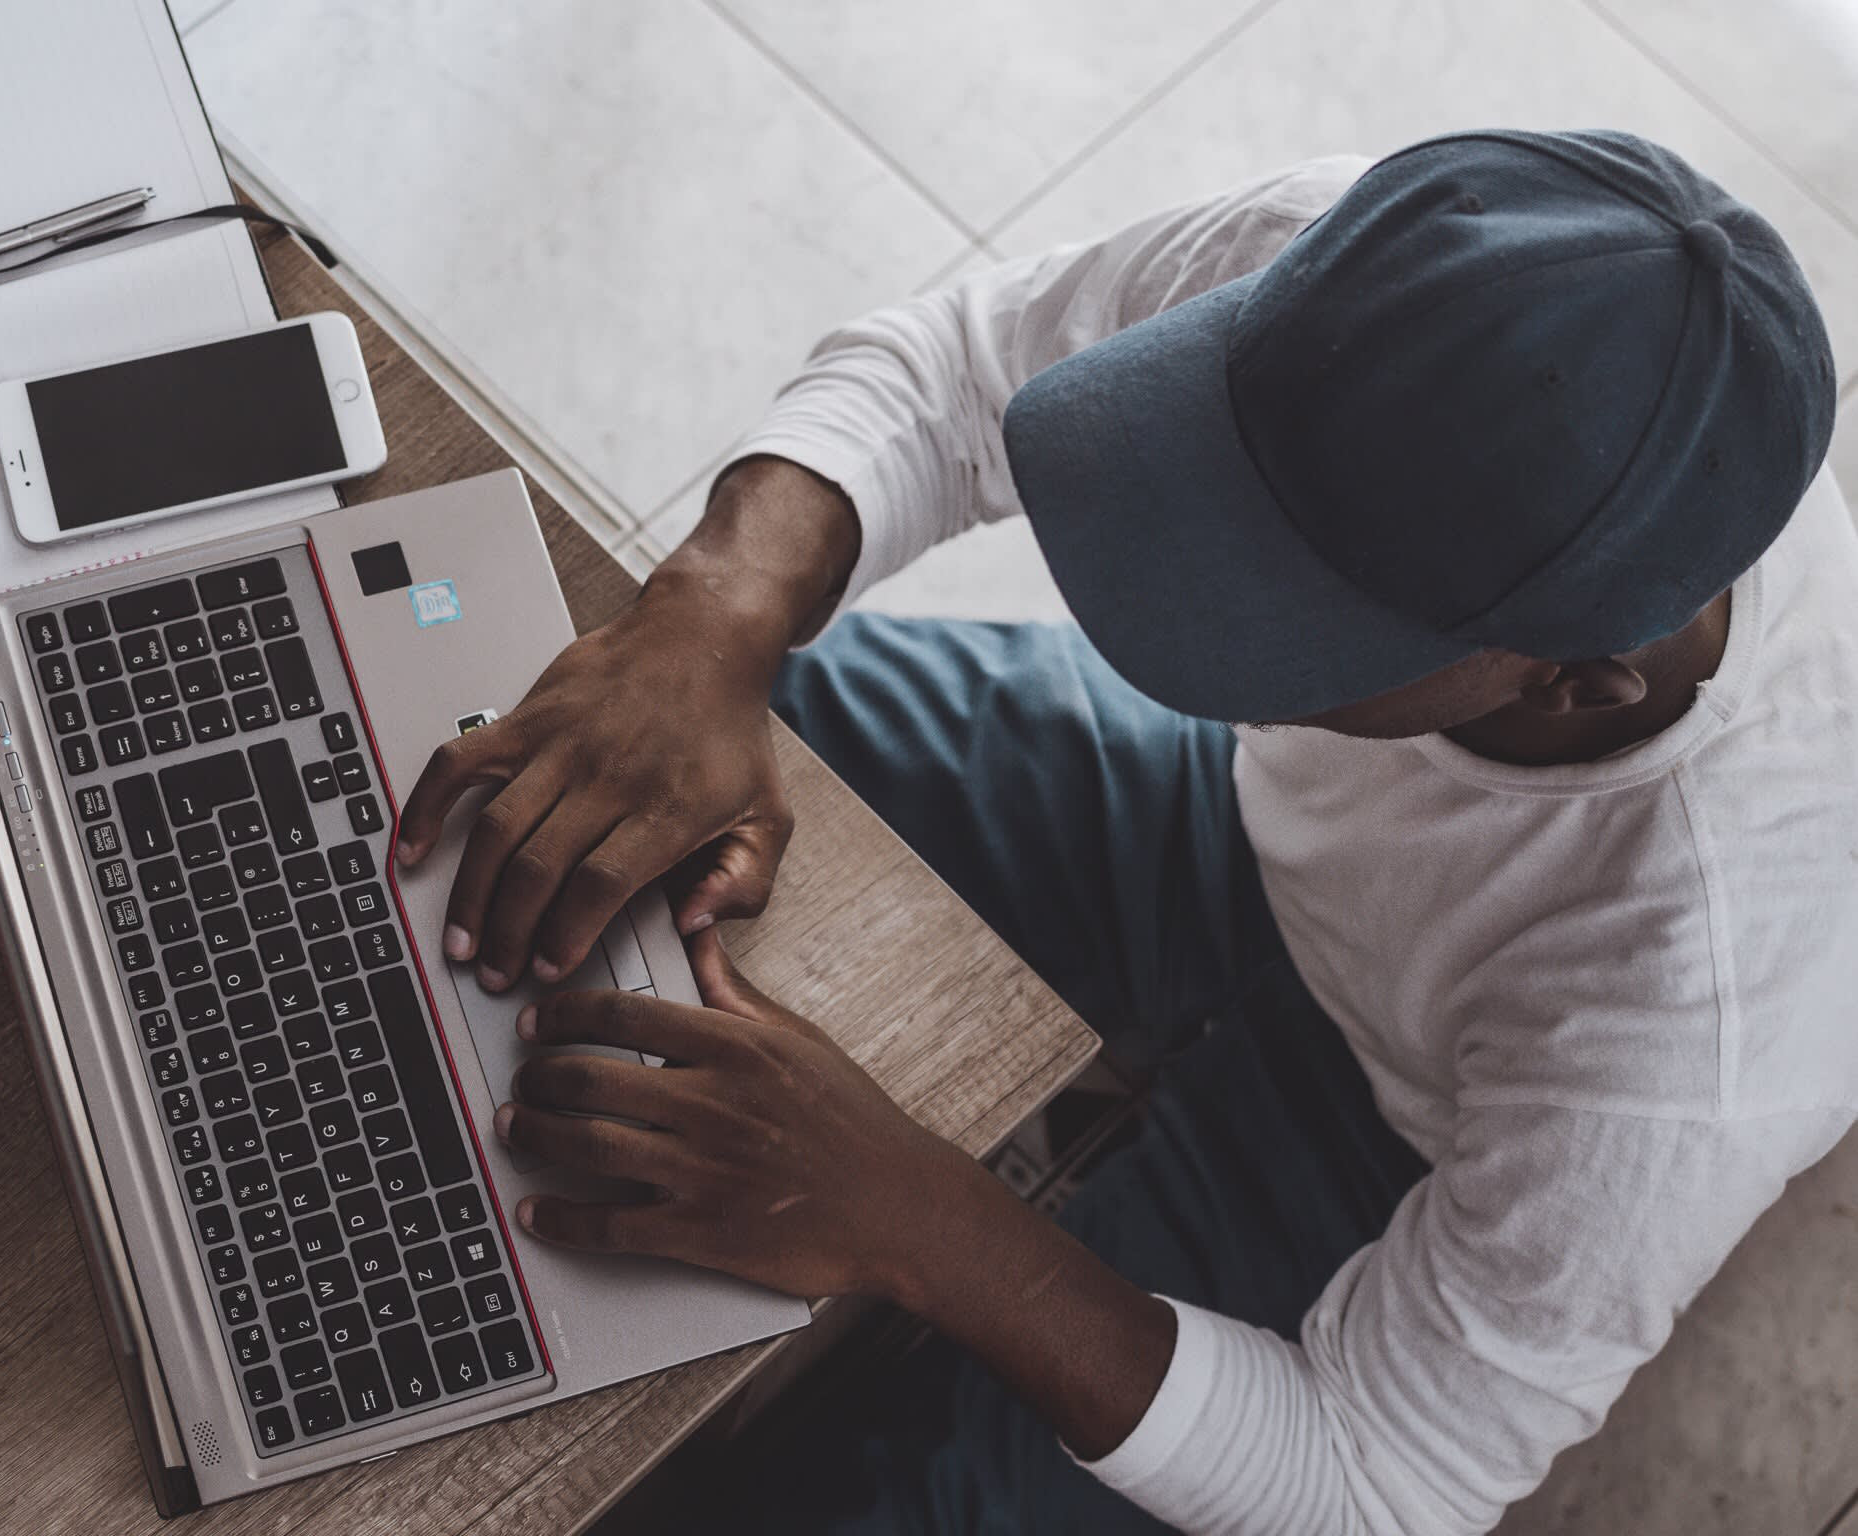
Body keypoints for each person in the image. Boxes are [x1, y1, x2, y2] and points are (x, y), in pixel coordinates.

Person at [395, 129, 1858, 1534]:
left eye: (1287, 612)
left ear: (1569, 681)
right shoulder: (1397, 285)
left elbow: (1376, 1477)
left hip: (1407, 1130)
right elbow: (956, 367)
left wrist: (914, 1217)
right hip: (1213, 813)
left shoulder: (1704, 1010)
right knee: (653, 750)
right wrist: (714, 610)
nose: (1188, 566)